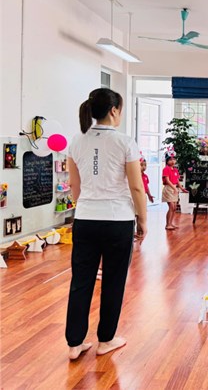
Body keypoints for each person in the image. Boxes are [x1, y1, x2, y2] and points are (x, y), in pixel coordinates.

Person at [66, 88, 147, 360]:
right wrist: (143, 219)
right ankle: (106, 340)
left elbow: (74, 186)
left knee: (81, 281)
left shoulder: (76, 141)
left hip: (85, 219)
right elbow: (136, 187)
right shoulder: (125, 142)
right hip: (117, 221)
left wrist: (86, 207)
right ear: (113, 110)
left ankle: (74, 344)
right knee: (113, 281)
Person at [162, 155, 187, 230]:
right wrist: (174, 188)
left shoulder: (175, 170)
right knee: (171, 207)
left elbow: (177, 180)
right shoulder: (166, 169)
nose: (172, 161)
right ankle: (167, 224)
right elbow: (167, 180)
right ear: (167, 161)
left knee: (174, 207)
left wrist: (181, 188)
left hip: (174, 188)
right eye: (170, 160)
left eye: (174, 159)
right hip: (169, 188)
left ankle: (171, 223)